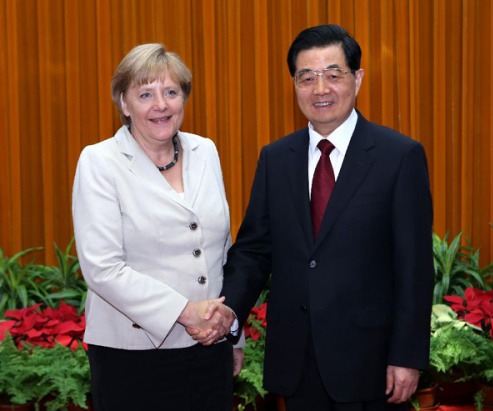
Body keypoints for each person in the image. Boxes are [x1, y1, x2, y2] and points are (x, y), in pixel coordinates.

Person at [197, 24, 434, 411]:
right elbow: (255, 250)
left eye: (333, 75)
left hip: (371, 364)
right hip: (298, 363)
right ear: (294, 84)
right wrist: (228, 312)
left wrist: (407, 355)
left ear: (357, 78)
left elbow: (415, 267)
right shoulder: (276, 158)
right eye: (307, 77)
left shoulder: (399, 156)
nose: (320, 89)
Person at [72, 43, 242, 411]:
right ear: (123, 102)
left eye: (171, 92)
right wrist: (185, 311)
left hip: (209, 348)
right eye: (145, 94)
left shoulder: (205, 151)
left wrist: (232, 333)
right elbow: (103, 267)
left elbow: (220, 248)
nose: (160, 105)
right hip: (132, 356)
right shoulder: (99, 161)